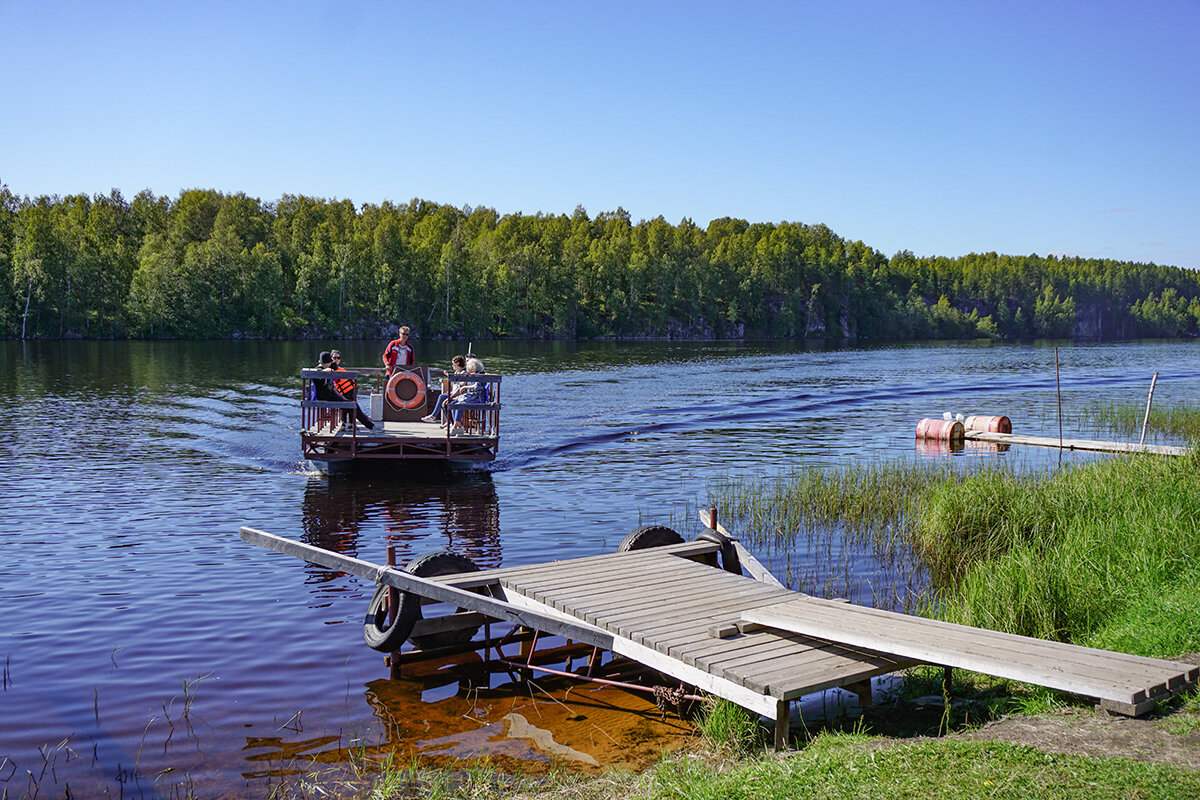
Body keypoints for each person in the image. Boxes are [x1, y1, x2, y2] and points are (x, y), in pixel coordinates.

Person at [314, 351, 375, 430]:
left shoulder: (326, 367)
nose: (330, 364)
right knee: (351, 406)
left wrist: (329, 367)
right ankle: (370, 426)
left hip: (331, 394)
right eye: (330, 362)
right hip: (326, 396)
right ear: (325, 363)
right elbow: (317, 373)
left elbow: (334, 366)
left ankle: (368, 425)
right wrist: (324, 371)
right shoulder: (318, 370)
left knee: (352, 404)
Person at [421, 355, 467, 424]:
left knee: (444, 399)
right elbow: (454, 385)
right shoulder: (456, 373)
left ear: (457, 363)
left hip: (459, 395)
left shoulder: (463, 373)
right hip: (454, 393)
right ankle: (447, 421)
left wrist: (450, 377)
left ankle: (434, 417)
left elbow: (462, 384)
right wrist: (451, 379)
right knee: (442, 398)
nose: (452, 365)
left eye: (453, 364)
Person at [448, 357, 488, 435]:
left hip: (477, 398)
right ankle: (458, 426)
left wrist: (465, 387)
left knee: (460, 404)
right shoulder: (471, 375)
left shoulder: (480, 375)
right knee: (453, 403)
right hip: (470, 397)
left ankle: (455, 426)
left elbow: (477, 387)